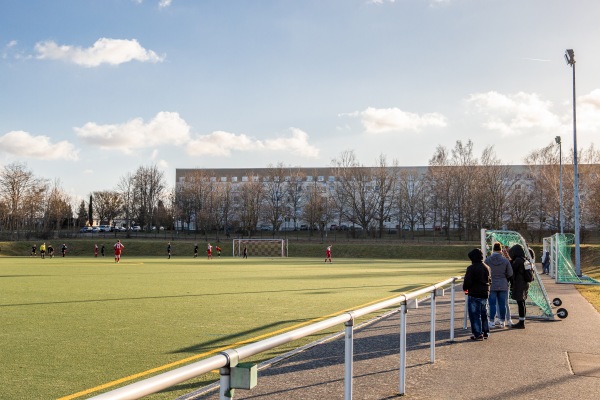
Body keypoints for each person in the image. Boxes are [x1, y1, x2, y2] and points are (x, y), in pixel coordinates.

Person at [463, 248, 491, 341]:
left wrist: (465, 290)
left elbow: (467, 282)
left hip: (474, 293)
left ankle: (478, 333)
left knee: (474, 315)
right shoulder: (487, 267)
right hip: (484, 293)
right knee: (484, 314)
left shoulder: (471, 268)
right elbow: (489, 280)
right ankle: (485, 332)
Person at [485, 242, 513, 328]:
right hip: (503, 283)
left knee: (492, 304)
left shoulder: (488, 260)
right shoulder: (505, 260)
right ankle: (502, 321)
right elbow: (510, 273)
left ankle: (492, 321)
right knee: (503, 304)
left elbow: (485, 272)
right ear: (501, 250)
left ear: (493, 249)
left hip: (492, 284)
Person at [508, 244, 531, 329]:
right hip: (524, 284)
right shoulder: (525, 260)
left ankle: (521, 323)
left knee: (520, 303)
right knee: (522, 302)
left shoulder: (518, 260)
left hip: (519, 284)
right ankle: (522, 321)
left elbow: (512, 271)